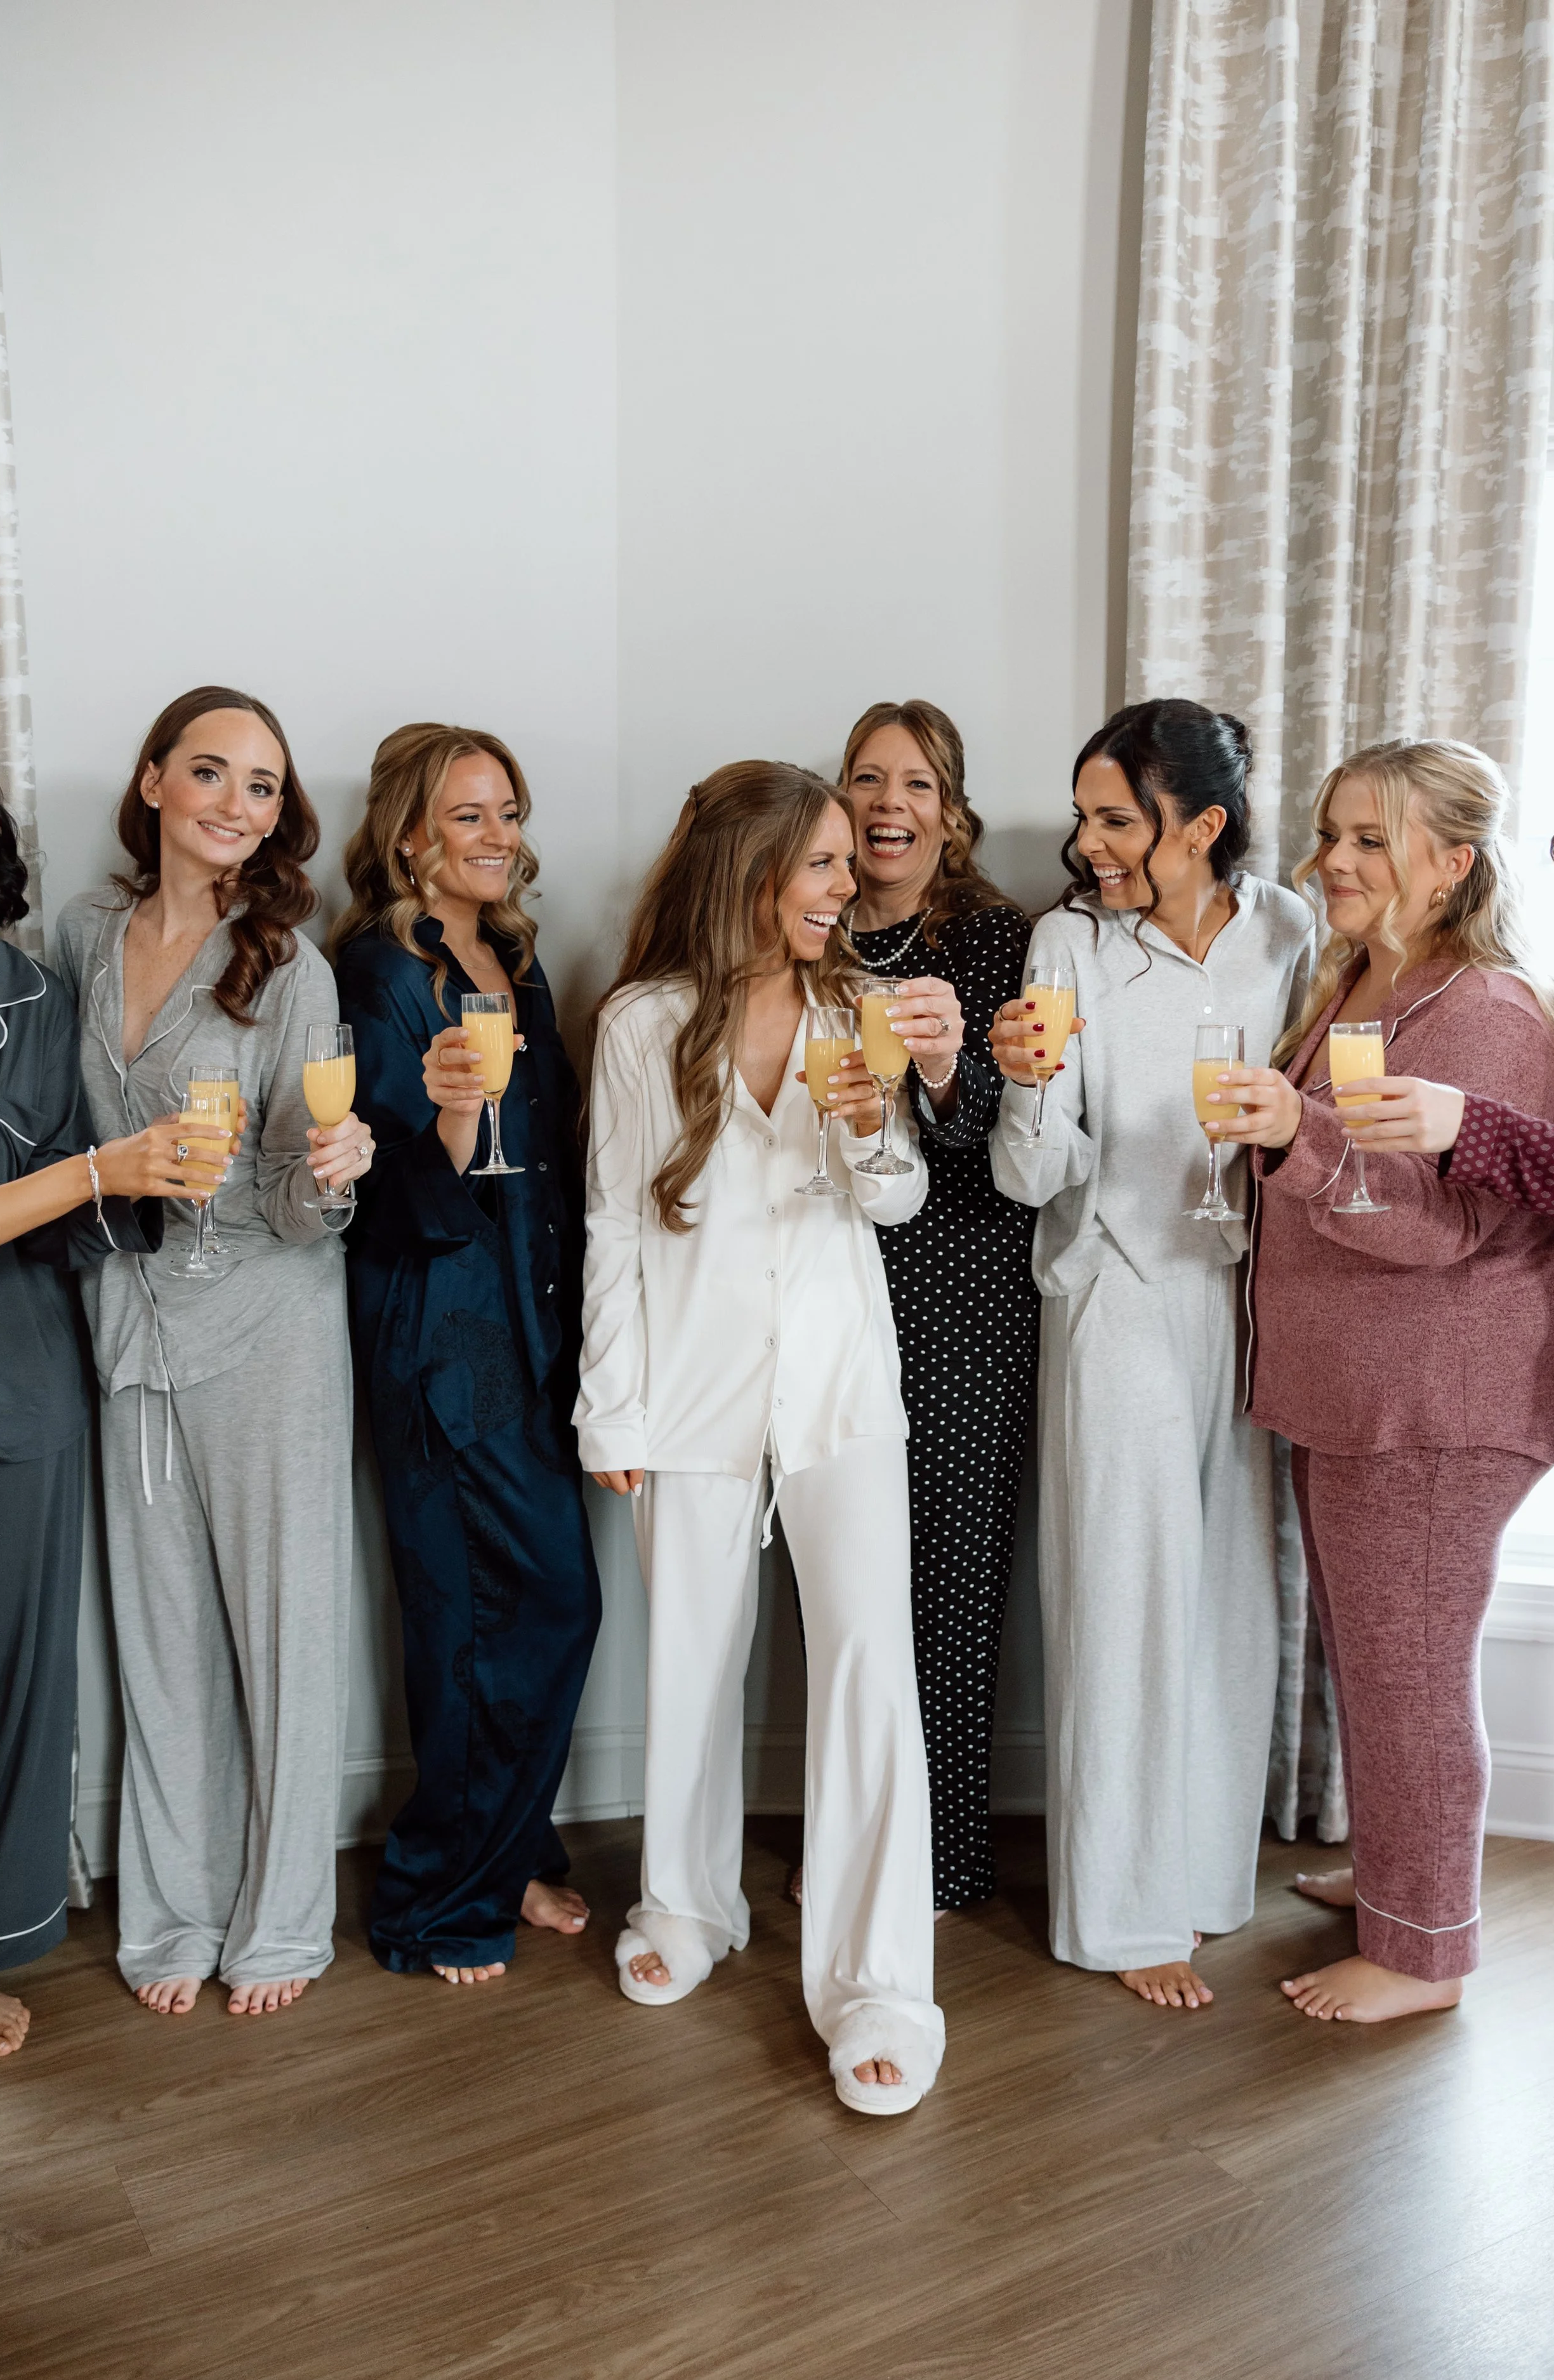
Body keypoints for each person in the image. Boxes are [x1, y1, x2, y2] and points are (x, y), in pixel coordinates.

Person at [578, 761, 945, 2114]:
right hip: (688, 1393)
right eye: (823, 867)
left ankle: (878, 1985)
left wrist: (871, 1131)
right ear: (749, 873)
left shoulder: (859, 1009)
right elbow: (614, 1221)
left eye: (849, 864)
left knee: (867, 1675)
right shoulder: (639, 1023)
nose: (847, 889)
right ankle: (681, 1905)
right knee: (687, 1655)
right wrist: (609, 1405)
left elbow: (893, 1205)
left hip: (843, 1393)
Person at [1218, 739, 1554, 2023]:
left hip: (1435, 1411)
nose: (1332, 859)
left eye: (1369, 838)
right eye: (1329, 833)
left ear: (1449, 864)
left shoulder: (1483, 1011)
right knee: (1380, 1659)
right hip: (1366, 1399)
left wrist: (1287, 1136)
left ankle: (1422, 1955)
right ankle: (1390, 1874)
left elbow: (1437, 1230)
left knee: (1409, 1670)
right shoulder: (1368, 986)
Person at [989, 699, 1314, 2009]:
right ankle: (1119, 1916)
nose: (1087, 842)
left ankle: (1199, 1880)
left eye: (1115, 818)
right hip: (1113, 1289)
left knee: (1226, 1598)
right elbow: (1031, 1174)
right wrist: (1020, 1084)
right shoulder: (1063, 943)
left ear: (1203, 825)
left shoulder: (1284, 930)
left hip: (1240, 1293)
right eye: (1084, 815)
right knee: (1121, 1598)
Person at [55, 686, 373, 2018]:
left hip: (267, 1313)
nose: (238, 806)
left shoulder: (291, 964)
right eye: (211, 773)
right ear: (151, 783)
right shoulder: (77, 938)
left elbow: (303, 1200)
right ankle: (174, 1912)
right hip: (127, 1316)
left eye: (261, 786)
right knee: (161, 1630)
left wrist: (337, 1168)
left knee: (286, 1631)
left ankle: (284, 1918)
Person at [331, 723, 600, 1984]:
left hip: (529, 1316)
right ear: (407, 839)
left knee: (513, 1601)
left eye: (507, 812)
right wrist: (443, 1115)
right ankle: (436, 1899)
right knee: (497, 1604)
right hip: (439, 1324)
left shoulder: (514, 959)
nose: (499, 837)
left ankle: (510, 1854)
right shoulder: (378, 976)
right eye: (468, 817)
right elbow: (377, 1192)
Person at [0, 770, 232, 2056]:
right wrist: (99, 1171)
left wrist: (171, 1195)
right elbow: (67, 1174)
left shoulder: (28, 994)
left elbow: (75, 1202)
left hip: (21, 1382)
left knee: (12, 1690)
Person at [837, 699, 1035, 1911]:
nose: (889, 804)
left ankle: (944, 1852)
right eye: (867, 780)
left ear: (951, 811)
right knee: (851, 1586)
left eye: (915, 784)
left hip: (962, 1292)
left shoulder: (996, 940)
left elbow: (1009, 1137)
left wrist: (948, 1069)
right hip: (830, 1290)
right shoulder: (804, 930)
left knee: (953, 1581)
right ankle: (858, 1839)